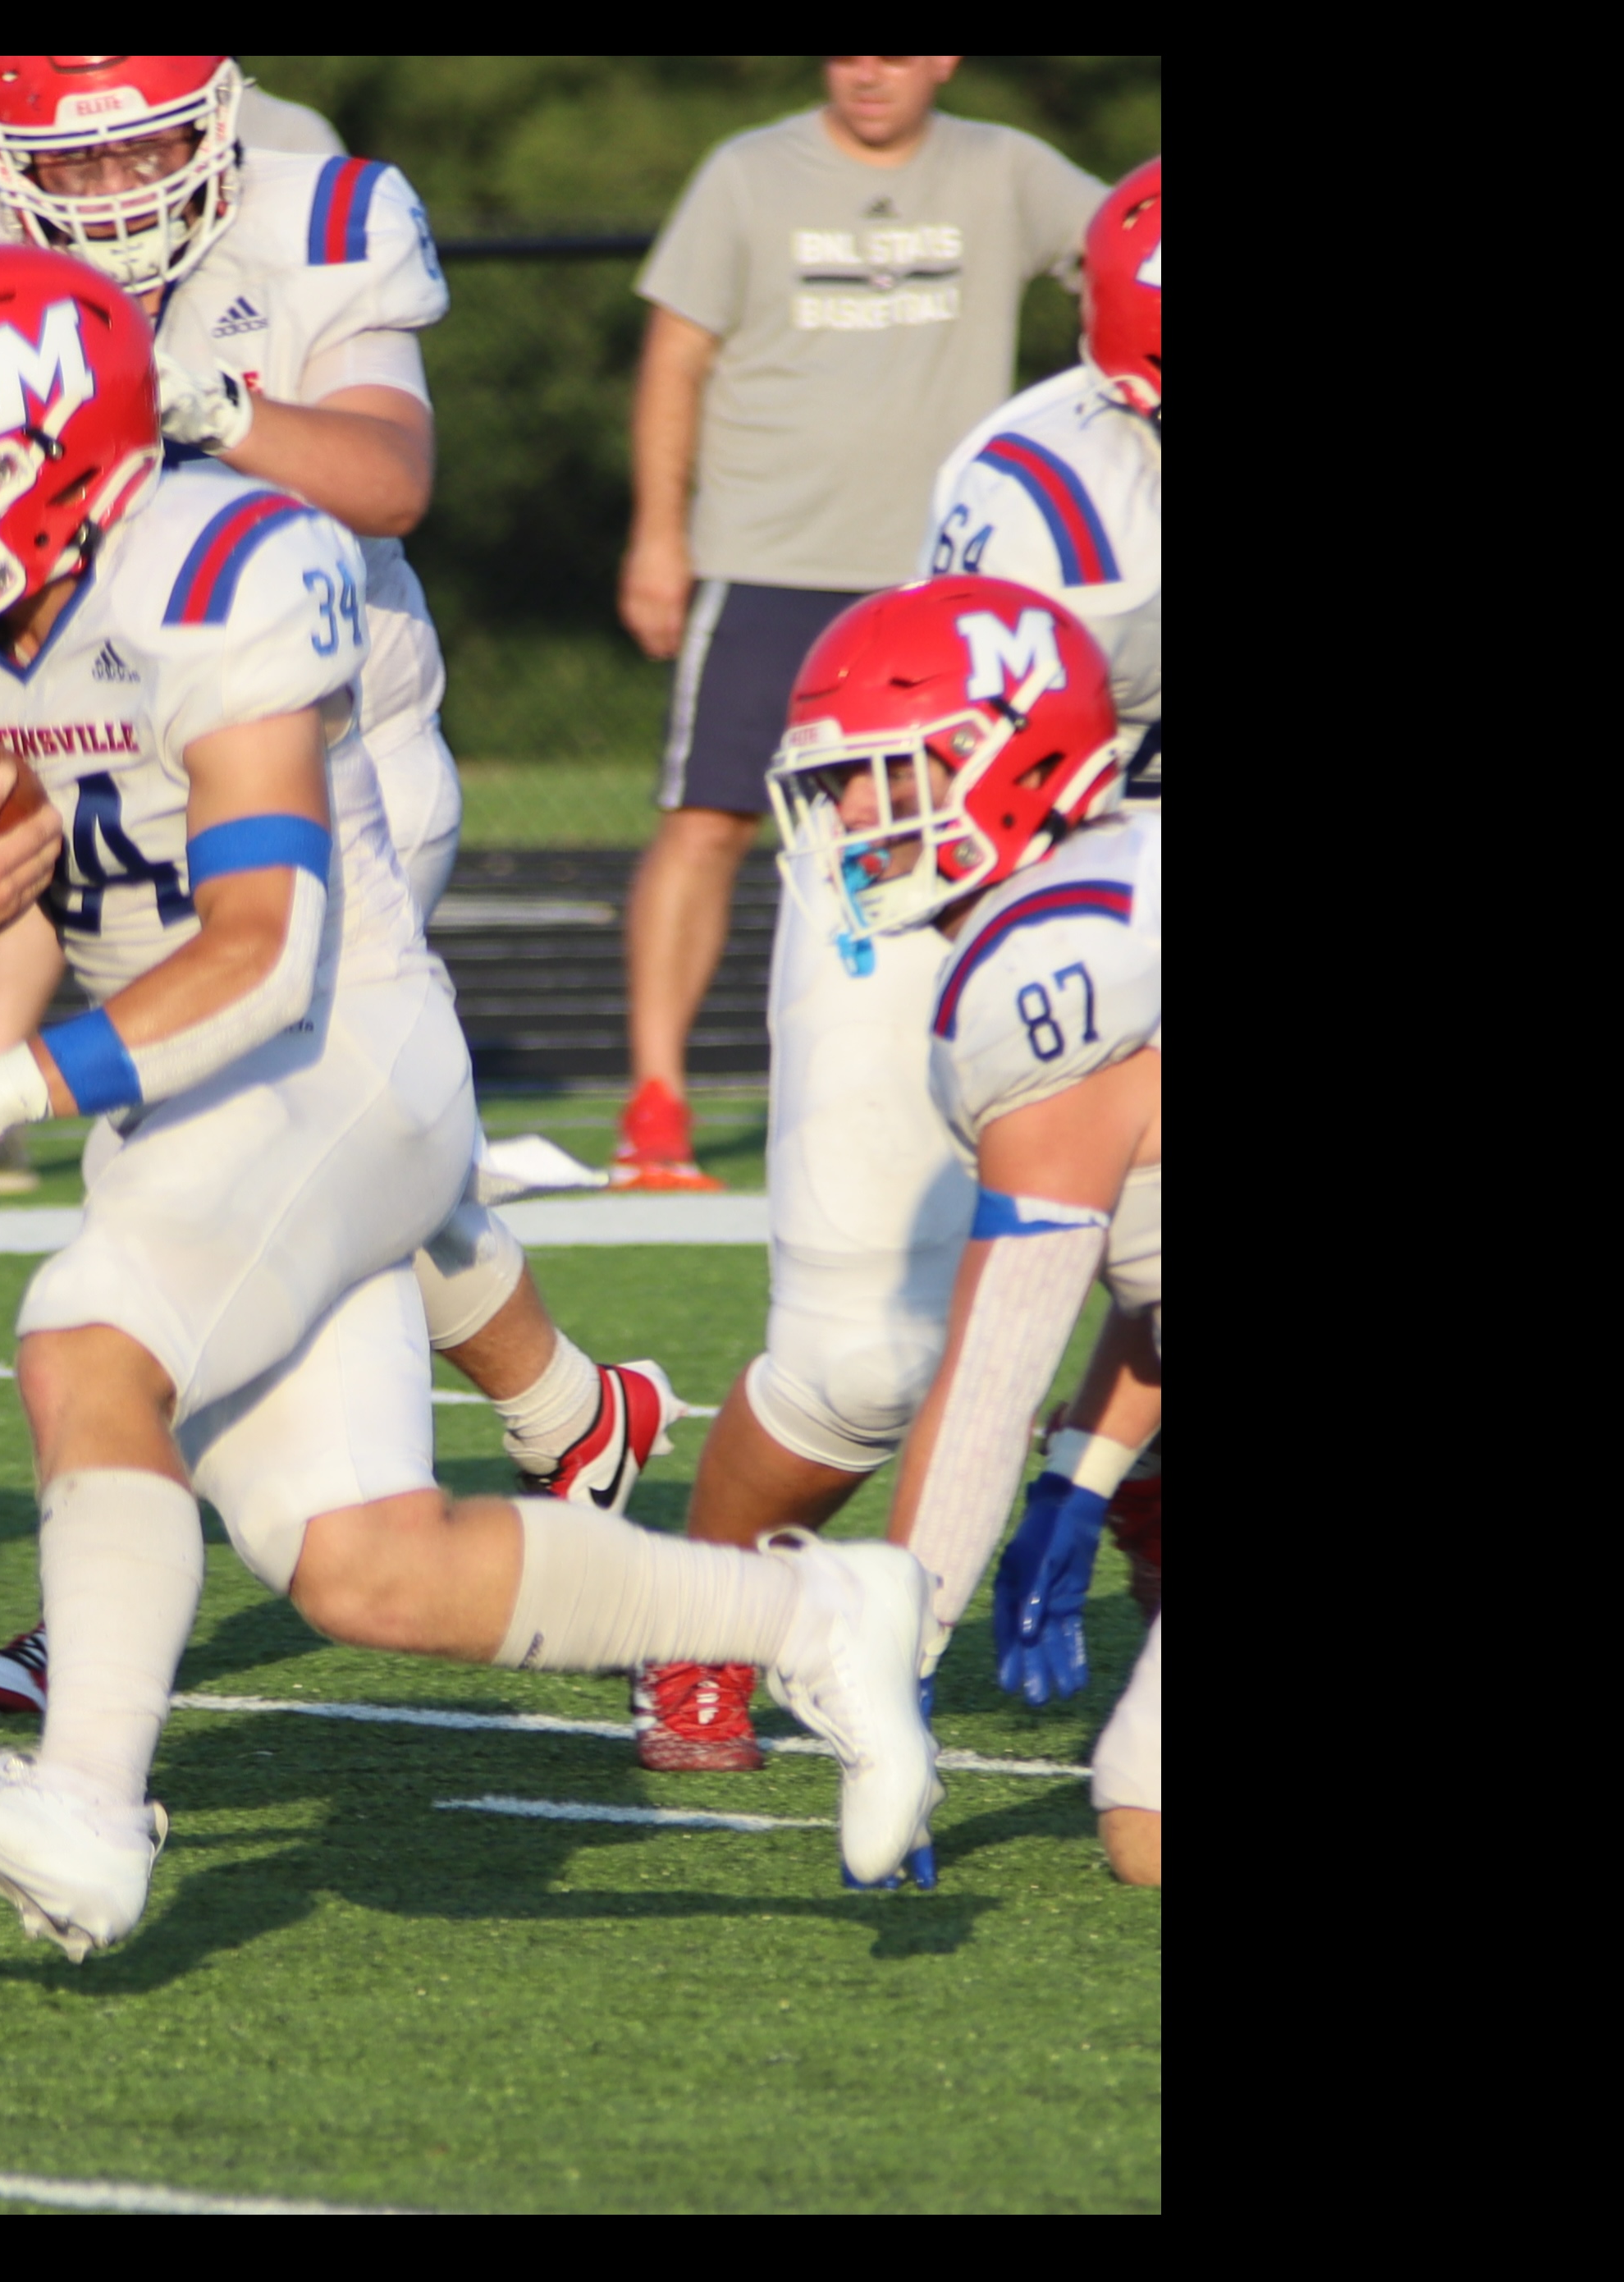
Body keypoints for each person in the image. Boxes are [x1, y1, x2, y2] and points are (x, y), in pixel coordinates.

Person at [0, 249, 941, 1954]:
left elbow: (263, 952)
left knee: (88, 1335)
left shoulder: (221, 563)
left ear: (61, 471)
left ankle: (87, 1810)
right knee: (362, 1565)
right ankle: (821, 1614)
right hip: (184, 1098)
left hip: (343, 1054)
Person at [0, 53, 674, 1722]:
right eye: (76, 162)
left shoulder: (318, 214)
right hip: (78, 738)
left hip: (322, 740)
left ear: (216, 115)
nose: (115, 195)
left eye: (147, 151)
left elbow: (392, 479)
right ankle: (574, 1417)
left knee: (199, 1148)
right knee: (337, 1145)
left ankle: (110, 1629)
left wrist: (199, 408)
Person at [646, 155, 1159, 1771]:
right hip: (947, 873)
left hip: (1136, 882)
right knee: (862, 1367)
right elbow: (975, 771)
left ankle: (1116, 1489)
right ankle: (705, 1618)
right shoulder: (1047, 490)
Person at [612, 57, 1101, 1185]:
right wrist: (657, 533)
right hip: (767, 558)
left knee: (999, 825)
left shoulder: (1005, 167)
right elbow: (676, 356)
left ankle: (999, 1070)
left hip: (943, 578)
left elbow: (1127, 257)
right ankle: (655, 1103)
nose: (868, 71)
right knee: (708, 820)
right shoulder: (748, 172)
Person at [756, 575, 1159, 1876]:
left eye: (879, 775)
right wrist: (1079, 1479)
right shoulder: (1115, 895)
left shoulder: (1049, 970)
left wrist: (898, 1663)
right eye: (836, 784)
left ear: (1014, 758)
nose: (848, 816)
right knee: (1146, 1820)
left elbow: (994, 1373)